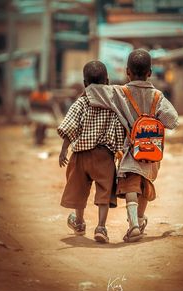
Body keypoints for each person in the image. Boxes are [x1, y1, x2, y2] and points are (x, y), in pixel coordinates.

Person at [86, 49, 179, 242]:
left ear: (127, 72)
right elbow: (172, 120)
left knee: (131, 188)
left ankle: (134, 225)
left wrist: (91, 85)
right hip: (153, 153)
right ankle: (140, 220)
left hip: (131, 151)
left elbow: (96, 92)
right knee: (144, 186)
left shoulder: (120, 93)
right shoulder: (158, 96)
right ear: (150, 72)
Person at [57, 61, 125, 243]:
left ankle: (79, 222)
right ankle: (101, 227)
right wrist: (119, 150)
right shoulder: (114, 103)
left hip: (80, 156)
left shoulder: (82, 101)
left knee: (78, 189)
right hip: (104, 156)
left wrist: (64, 149)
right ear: (107, 81)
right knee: (104, 192)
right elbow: (120, 127)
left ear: (85, 83)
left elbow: (70, 125)